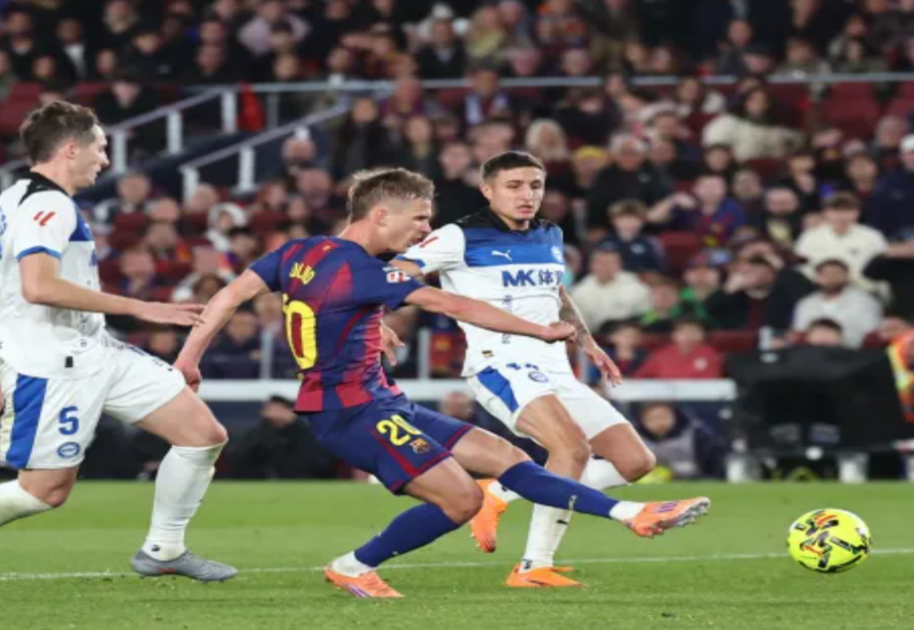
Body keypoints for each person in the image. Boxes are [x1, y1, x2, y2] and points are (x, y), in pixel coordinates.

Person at [174, 167, 709, 598]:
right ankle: (353, 566)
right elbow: (450, 302)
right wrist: (540, 329)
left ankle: (630, 512)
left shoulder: (299, 252)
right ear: (381, 215)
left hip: (382, 400)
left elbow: (229, 297)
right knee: (461, 501)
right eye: (419, 218)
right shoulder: (366, 270)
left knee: (506, 458)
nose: (423, 230)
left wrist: (189, 358)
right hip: (348, 411)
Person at [0, 101, 232, 607]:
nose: (104, 159)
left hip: (96, 351)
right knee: (43, 492)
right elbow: (38, 287)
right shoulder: (50, 207)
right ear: (70, 149)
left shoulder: (9, 200)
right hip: (49, 367)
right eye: (99, 147)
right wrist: (142, 307)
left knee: (202, 436)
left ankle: (163, 549)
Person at [393, 152, 662, 588]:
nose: (527, 195)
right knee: (570, 450)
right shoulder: (459, 236)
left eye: (535, 185)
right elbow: (394, 272)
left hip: (555, 367)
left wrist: (587, 342)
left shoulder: (550, 233)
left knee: (636, 462)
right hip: (500, 362)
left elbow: (556, 292)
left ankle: (500, 491)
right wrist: (379, 321)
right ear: (488, 190)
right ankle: (534, 565)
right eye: (514, 185)